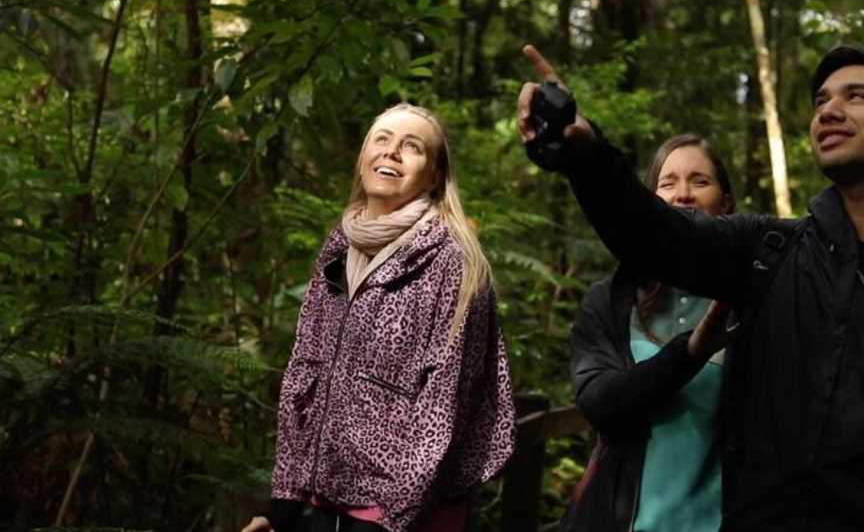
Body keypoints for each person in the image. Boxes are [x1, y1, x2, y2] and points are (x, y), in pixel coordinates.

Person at [518, 43, 864, 531]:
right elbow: (656, 236)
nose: (829, 110)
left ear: (725, 197)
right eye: (821, 100)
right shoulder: (772, 254)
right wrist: (585, 152)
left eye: (856, 97)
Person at [242, 103, 516, 532]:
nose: (391, 152)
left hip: (398, 517)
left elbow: (443, 408)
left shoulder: (453, 263)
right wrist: (285, 502)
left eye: (412, 147)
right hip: (321, 503)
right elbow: (304, 371)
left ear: (434, 175)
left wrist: (393, 517)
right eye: (382, 140)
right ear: (363, 157)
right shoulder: (338, 249)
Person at [561, 134, 737, 532]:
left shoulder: (754, 300)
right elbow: (598, 402)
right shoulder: (610, 301)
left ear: (726, 203)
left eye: (700, 181)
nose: (683, 195)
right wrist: (689, 353)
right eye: (668, 182)